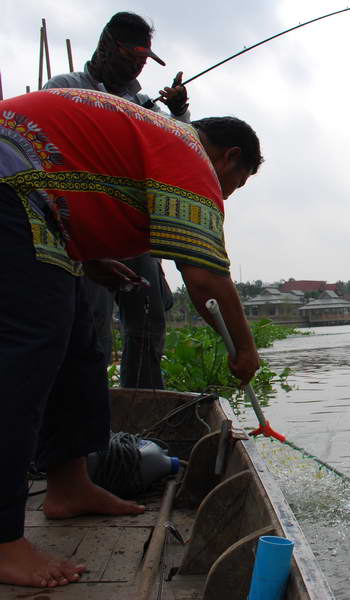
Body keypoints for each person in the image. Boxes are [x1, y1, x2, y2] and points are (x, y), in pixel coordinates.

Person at [0, 87, 262, 588]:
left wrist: (93, 260)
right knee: (26, 356)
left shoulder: (159, 140)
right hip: (11, 186)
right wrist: (244, 351)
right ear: (228, 157)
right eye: (235, 182)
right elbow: (205, 278)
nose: (225, 195)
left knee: (78, 346)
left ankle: (70, 486)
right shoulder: (188, 155)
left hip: (35, 204)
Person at [43, 12, 190, 388]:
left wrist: (177, 112)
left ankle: (142, 404)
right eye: (132, 58)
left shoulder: (142, 103)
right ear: (108, 48)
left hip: (128, 226)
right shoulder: (64, 88)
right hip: (83, 228)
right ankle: (88, 416)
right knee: (93, 322)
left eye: (144, 61)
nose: (138, 67)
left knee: (149, 316)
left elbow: (180, 146)